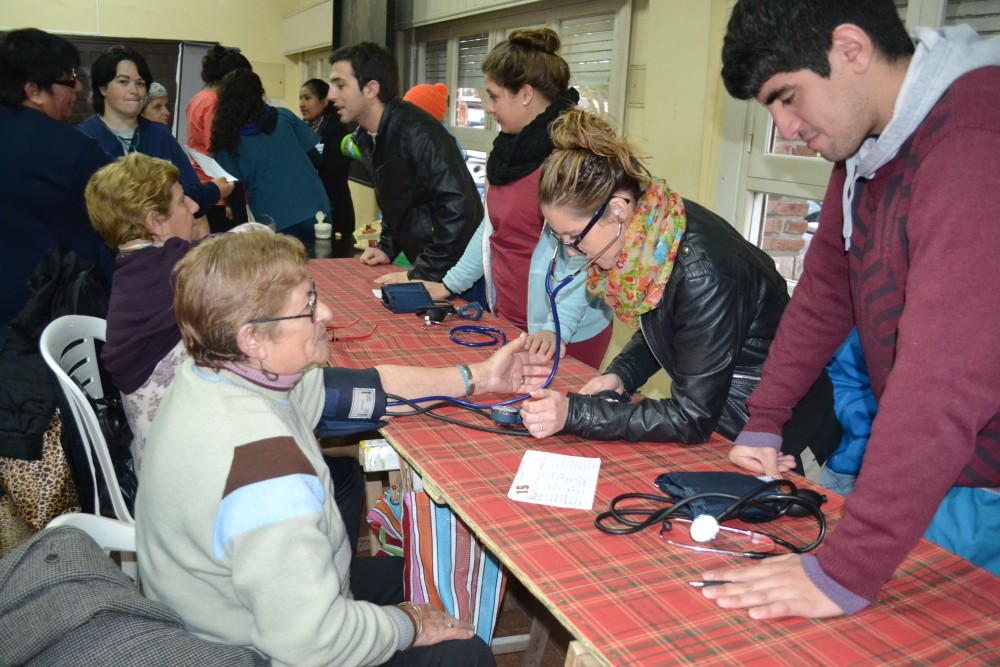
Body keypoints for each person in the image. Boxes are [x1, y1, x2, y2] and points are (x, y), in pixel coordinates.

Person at [705, 0, 1000, 619]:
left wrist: (845, 569)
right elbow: (824, 296)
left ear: (851, 49)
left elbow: (941, 380)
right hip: (939, 466)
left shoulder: (973, 144)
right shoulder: (868, 149)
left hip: (982, 480)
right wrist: (766, 418)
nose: (785, 128)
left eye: (788, 97)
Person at [136, 230, 542, 665]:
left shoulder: (215, 374)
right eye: (308, 306)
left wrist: (480, 377)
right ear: (251, 338)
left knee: (420, 574)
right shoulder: (267, 472)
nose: (326, 312)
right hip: (247, 652)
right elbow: (310, 642)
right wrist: (408, 625)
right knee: (463, 654)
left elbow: (366, 389)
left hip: (229, 609)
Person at [518, 109, 840, 473]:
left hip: (785, 436)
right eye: (560, 241)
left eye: (574, 239)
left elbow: (692, 417)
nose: (573, 253)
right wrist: (622, 374)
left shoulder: (700, 273)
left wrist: (576, 413)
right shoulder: (658, 232)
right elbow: (669, 322)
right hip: (726, 417)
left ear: (618, 211)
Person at [421, 28, 613, 369]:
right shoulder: (509, 153)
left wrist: (557, 331)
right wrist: (448, 284)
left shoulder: (567, 157)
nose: (489, 108)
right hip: (511, 316)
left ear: (525, 94)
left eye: (494, 97)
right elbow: (492, 228)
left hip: (564, 332)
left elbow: (586, 254)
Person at [84, 153, 203, 475]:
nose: (193, 207)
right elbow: (247, 247)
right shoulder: (174, 270)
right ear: (155, 222)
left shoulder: (137, 269)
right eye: (181, 202)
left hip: (157, 458)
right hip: (186, 474)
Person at [327, 42, 482, 283]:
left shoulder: (419, 132)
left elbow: (461, 210)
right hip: (429, 266)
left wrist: (424, 271)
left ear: (371, 89)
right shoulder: (367, 136)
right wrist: (387, 246)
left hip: (457, 276)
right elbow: (396, 200)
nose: (331, 95)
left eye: (340, 85)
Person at [0, 28, 112, 341]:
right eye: (68, 78)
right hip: (45, 320)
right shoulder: (73, 149)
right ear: (33, 90)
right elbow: (128, 206)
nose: (77, 87)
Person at [77, 46, 232, 229]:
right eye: (123, 82)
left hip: (163, 247)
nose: (134, 90)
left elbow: (189, 194)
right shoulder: (83, 139)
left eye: (140, 83)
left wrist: (211, 191)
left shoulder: (160, 135)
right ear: (103, 87)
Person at [212, 69, 330, 254]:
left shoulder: (227, 140)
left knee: (286, 278)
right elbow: (316, 159)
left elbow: (235, 195)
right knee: (325, 271)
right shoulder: (284, 116)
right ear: (259, 94)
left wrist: (246, 238)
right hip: (315, 210)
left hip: (275, 221)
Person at [186, 44, 252, 232]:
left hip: (204, 184)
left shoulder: (198, 98)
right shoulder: (214, 102)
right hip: (221, 191)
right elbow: (219, 152)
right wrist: (231, 201)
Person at [300, 78, 355, 248]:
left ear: (324, 102)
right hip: (308, 207)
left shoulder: (336, 129)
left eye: (307, 98)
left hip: (334, 208)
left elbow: (334, 172)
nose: (302, 104)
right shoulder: (302, 128)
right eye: (300, 98)